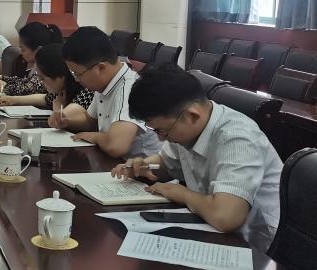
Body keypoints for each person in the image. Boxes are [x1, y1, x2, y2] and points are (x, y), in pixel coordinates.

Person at [113, 64, 281, 241]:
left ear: (192, 115)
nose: (161, 139)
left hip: (257, 242)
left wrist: (183, 194)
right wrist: (144, 165)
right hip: (211, 225)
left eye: (162, 131)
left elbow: (226, 217)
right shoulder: (188, 127)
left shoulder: (238, 138)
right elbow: (167, 163)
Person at [60, 26, 162, 158]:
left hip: (142, 167)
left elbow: (116, 146)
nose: (76, 80)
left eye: (78, 74)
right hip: (117, 163)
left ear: (100, 68)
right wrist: (66, 120)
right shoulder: (104, 84)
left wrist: (94, 137)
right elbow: (91, 120)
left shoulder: (129, 89)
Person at [0, 43, 93, 123]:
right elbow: (44, 98)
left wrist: (57, 108)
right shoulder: (63, 89)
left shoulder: (85, 91)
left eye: (42, 78)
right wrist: (12, 100)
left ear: (60, 77)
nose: (41, 82)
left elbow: (58, 121)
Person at [0, 22, 62, 96]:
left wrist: (3, 87)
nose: (21, 53)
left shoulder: (47, 66)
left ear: (38, 50)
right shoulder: (37, 64)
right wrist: (2, 78)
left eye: (23, 49)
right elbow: (26, 81)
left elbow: (29, 89)